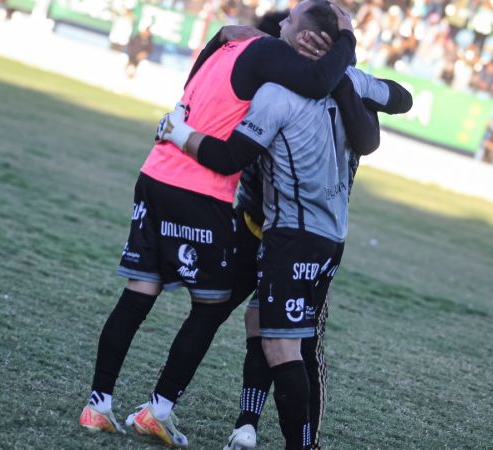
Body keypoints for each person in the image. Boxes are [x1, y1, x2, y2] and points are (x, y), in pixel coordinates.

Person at [79, 2, 358, 448]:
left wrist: (223, 38)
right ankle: (160, 409)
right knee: (210, 309)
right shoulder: (269, 51)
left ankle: (98, 405)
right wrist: (346, 38)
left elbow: (198, 77)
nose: (282, 22)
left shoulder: (228, 42)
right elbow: (319, 80)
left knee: (137, 295)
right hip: (200, 191)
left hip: (154, 174)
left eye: (290, 17)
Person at [157, 5, 410, 449]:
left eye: (288, 21)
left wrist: (177, 132)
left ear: (305, 39)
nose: (280, 25)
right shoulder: (348, 80)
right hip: (318, 235)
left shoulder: (278, 89)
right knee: (263, 325)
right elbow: (397, 105)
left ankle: (293, 440)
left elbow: (228, 156)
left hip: (288, 234)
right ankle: (241, 424)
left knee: (282, 341)